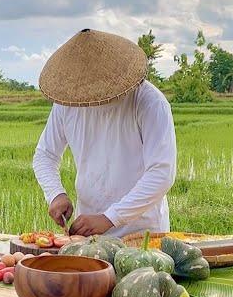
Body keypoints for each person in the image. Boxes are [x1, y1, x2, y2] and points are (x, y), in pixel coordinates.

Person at [32, 29, 177, 238]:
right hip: (89, 234)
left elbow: (161, 173)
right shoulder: (68, 103)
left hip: (142, 234)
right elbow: (45, 155)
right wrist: (56, 194)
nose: (93, 94)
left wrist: (110, 218)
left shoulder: (149, 102)